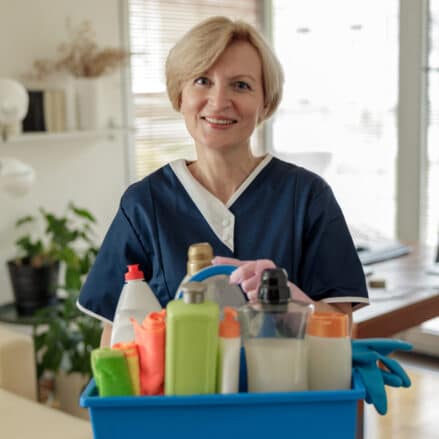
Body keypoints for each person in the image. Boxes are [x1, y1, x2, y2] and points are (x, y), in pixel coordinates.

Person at [77, 16, 369, 347]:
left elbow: (343, 329)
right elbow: (114, 337)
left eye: (241, 85)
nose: (218, 102)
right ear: (179, 96)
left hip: (284, 392)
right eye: (202, 81)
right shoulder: (145, 204)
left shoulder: (307, 197)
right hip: (179, 399)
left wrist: (291, 302)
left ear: (265, 104)